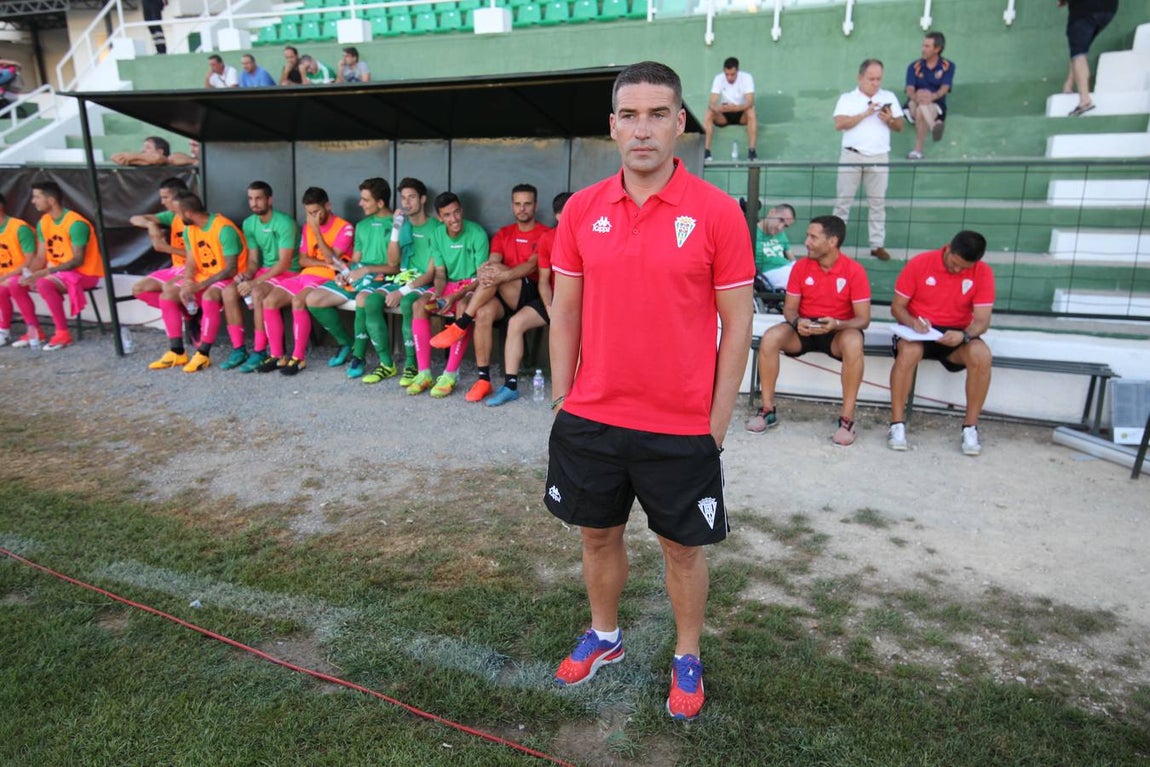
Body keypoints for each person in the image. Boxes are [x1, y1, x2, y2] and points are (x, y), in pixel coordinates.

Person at [544, 61, 754, 721]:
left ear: (680, 123)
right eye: (629, 115)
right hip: (592, 418)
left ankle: (687, 652)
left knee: (682, 548)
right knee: (596, 536)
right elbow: (566, 310)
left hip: (680, 427)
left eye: (657, 114)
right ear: (612, 126)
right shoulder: (580, 210)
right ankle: (605, 634)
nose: (643, 129)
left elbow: (739, 321)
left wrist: (716, 423)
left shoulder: (717, 213)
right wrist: (561, 395)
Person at [745, 215, 871, 446]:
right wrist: (796, 323)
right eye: (807, 236)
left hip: (837, 332)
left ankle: (847, 419)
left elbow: (863, 319)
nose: (807, 242)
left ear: (832, 241)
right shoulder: (801, 266)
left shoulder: (854, 270)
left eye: (813, 237)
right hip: (803, 330)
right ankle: (767, 410)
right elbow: (790, 310)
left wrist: (838, 324)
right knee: (771, 337)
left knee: (854, 341)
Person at [430, 183, 551, 403]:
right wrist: (489, 273)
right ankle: (484, 380)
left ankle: (462, 323)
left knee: (498, 271)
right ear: (512, 206)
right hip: (506, 294)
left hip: (533, 293)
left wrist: (502, 275)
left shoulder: (544, 233)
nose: (522, 208)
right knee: (484, 311)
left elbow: (531, 266)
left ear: (536, 206)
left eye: (527, 204)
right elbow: (491, 264)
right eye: (517, 204)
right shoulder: (504, 233)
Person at [887, 230, 994, 456]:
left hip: (956, 335)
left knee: (981, 355)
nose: (957, 270)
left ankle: (970, 428)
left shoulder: (982, 272)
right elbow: (897, 307)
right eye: (954, 263)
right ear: (948, 248)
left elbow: (982, 321)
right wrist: (912, 322)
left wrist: (964, 335)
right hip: (918, 330)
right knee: (908, 352)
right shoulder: (920, 264)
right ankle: (897, 425)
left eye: (963, 268)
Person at [306, 177, 402, 379]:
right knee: (313, 299)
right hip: (358, 278)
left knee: (362, 300)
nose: (360, 203)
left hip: (383, 280)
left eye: (365, 200)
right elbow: (356, 260)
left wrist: (366, 270)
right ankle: (347, 343)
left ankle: (359, 356)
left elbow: (396, 267)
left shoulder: (398, 225)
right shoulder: (362, 225)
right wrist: (345, 272)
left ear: (380, 203)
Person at [254, 186, 353, 375]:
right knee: (269, 301)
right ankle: (277, 356)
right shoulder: (307, 226)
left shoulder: (345, 227)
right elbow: (302, 259)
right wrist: (322, 261)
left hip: (328, 279)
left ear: (328, 205)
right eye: (309, 213)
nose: (313, 217)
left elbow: (334, 260)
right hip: (305, 275)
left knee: (299, 301)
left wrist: (317, 232)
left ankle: (298, 358)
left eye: (317, 212)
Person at [487, 191, 570, 407]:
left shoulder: (590, 237)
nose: (567, 221)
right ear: (557, 216)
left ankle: (579, 390)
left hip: (580, 305)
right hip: (553, 301)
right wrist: (550, 307)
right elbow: (543, 281)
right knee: (515, 323)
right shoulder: (549, 238)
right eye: (562, 216)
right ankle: (510, 386)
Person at [149, 191, 247, 372]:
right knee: (168, 294)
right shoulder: (189, 228)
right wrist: (187, 282)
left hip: (229, 277)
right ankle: (177, 351)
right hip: (204, 275)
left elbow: (231, 268)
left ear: (188, 214)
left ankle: (203, 353)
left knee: (209, 296)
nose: (176, 218)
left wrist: (199, 286)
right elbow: (192, 260)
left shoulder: (223, 228)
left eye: (178, 214)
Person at [405, 192, 488, 398]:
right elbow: (440, 273)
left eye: (457, 212)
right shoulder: (437, 235)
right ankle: (424, 373)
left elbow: (482, 277)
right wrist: (439, 294)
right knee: (419, 305)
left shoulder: (477, 233)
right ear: (440, 217)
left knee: (462, 308)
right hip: (448, 286)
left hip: (471, 287)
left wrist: (456, 295)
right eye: (448, 215)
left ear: (462, 210)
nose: (454, 219)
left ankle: (450, 374)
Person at [363, 177, 444, 386]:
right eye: (403, 198)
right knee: (371, 302)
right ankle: (387, 364)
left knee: (408, 304)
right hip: (403, 278)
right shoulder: (404, 225)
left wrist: (402, 292)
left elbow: (430, 273)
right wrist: (396, 229)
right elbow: (393, 262)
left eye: (412, 197)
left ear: (423, 199)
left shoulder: (436, 227)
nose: (407, 202)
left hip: (425, 283)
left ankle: (411, 364)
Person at [6, 181, 105, 351]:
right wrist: (28, 274)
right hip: (58, 273)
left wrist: (45, 272)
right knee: (16, 282)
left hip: (85, 274)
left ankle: (62, 333)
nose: (33, 201)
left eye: (37, 197)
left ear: (51, 200)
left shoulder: (76, 223)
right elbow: (41, 257)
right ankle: (34, 331)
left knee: (44, 283)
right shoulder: (43, 222)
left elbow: (77, 260)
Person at [832, 59, 904, 262]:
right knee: (843, 202)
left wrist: (889, 119)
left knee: (878, 202)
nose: (875, 83)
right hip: (852, 154)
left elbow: (899, 126)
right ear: (860, 77)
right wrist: (865, 113)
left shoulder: (888, 97)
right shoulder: (848, 98)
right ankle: (834, 245)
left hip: (879, 155)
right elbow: (840, 123)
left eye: (878, 79)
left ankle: (877, 244)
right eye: (871, 79)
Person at [234, 181, 300, 372]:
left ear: (269, 200)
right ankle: (238, 349)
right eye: (250, 199)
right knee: (230, 291)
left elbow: (284, 263)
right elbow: (254, 260)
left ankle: (260, 350)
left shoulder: (285, 223)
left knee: (256, 292)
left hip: (288, 272)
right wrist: (247, 274)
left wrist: (255, 282)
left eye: (259, 198)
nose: (254, 203)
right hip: (266, 271)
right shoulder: (249, 223)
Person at [127, 176, 190, 314]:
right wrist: (150, 225)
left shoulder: (195, 218)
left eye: (166, 197)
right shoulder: (171, 216)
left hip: (195, 269)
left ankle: (188, 317)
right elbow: (134, 218)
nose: (162, 202)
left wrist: (166, 248)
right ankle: (186, 315)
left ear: (179, 197)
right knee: (139, 289)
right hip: (177, 268)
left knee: (168, 290)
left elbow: (200, 256)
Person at [1061, 0, 1119, 116]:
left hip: (1084, 12)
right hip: (1109, 10)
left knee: (1078, 54)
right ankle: (1068, 85)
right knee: (1080, 49)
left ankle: (1084, 100)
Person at [904, 32, 955, 160]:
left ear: (937, 49)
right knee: (919, 103)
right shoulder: (914, 66)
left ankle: (918, 150)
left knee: (922, 108)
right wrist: (917, 97)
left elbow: (945, 88)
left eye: (927, 46)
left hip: (935, 104)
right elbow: (909, 89)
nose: (923, 49)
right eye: (923, 45)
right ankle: (933, 127)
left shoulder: (947, 66)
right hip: (913, 105)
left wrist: (931, 97)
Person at [0, 192, 38, 347]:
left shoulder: (19, 227)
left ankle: (34, 331)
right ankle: (4, 330)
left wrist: (6, 276)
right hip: (5, 276)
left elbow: (30, 260)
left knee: (12, 284)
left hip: (27, 273)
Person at [702, 56, 757, 162]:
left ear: (737, 71)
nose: (729, 78)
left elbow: (750, 101)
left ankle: (752, 152)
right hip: (724, 114)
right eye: (727, 74)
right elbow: (712, 102)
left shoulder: (746, 78)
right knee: (709, 112)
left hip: (741, 112)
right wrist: (718, 108)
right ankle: (706, 151)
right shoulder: (719, 78)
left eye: (732, 74)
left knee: (751, 112)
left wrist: (736, 108)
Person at [753, 203, 797, 291]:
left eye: (785, 226)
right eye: (781, 220)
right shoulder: (752, 232)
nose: (780, 228)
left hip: (788, 270)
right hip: (767, 275)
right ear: (772, 212)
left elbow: (792, 259)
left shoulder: (781, 234)